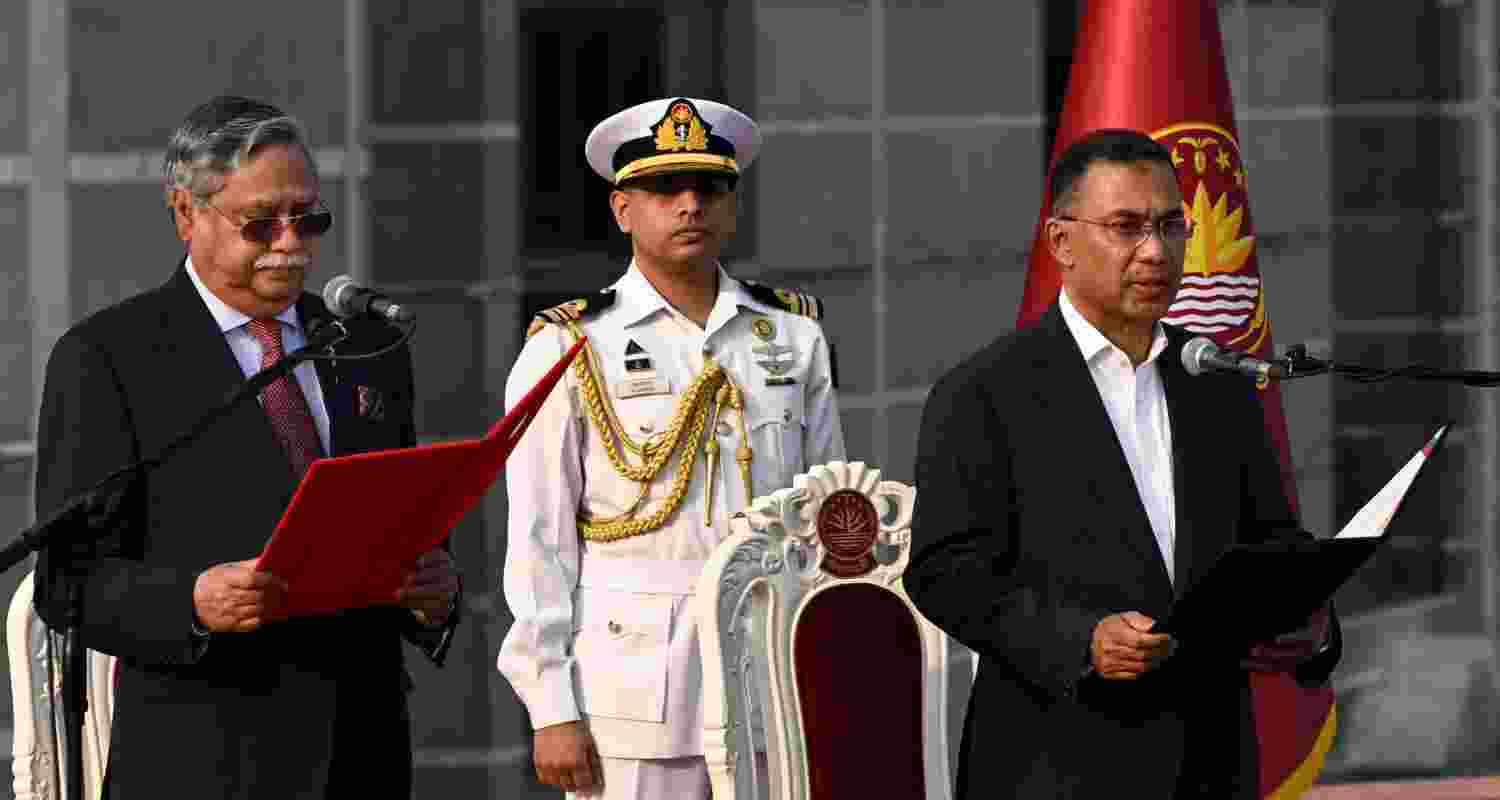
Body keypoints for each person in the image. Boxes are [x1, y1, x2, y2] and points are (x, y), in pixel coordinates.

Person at [32, 95, 462, 799]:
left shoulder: (365, 345)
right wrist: (191, 600)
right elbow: (68, 581)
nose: (290, 243)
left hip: (360, 752)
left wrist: (435, 594)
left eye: (309, 218)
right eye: (260, 223)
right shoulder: (110, 355)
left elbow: (411, 525)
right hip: (205, 758)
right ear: (185, 214)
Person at [906, 129, 1340, 799]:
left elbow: (1271, 539)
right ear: (1061, 244)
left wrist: (1307, 619)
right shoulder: (985, 391)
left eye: (1172, 226)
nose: (1155, 252)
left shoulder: (1218, 377)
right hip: (1058, 760)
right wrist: (1082, 639)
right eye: (1126, 227)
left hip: (1211, 756)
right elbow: (945, 573)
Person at [498, 96, 845, 798]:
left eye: (709, 188)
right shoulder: (570, 344)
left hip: (771, 671)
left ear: (732, 206)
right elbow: (538, 537)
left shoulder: (791, 334)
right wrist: (550, 706)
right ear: (623, 209)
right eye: (664, 189)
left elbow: (823, 512)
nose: (690, 204)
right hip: (636, 689)